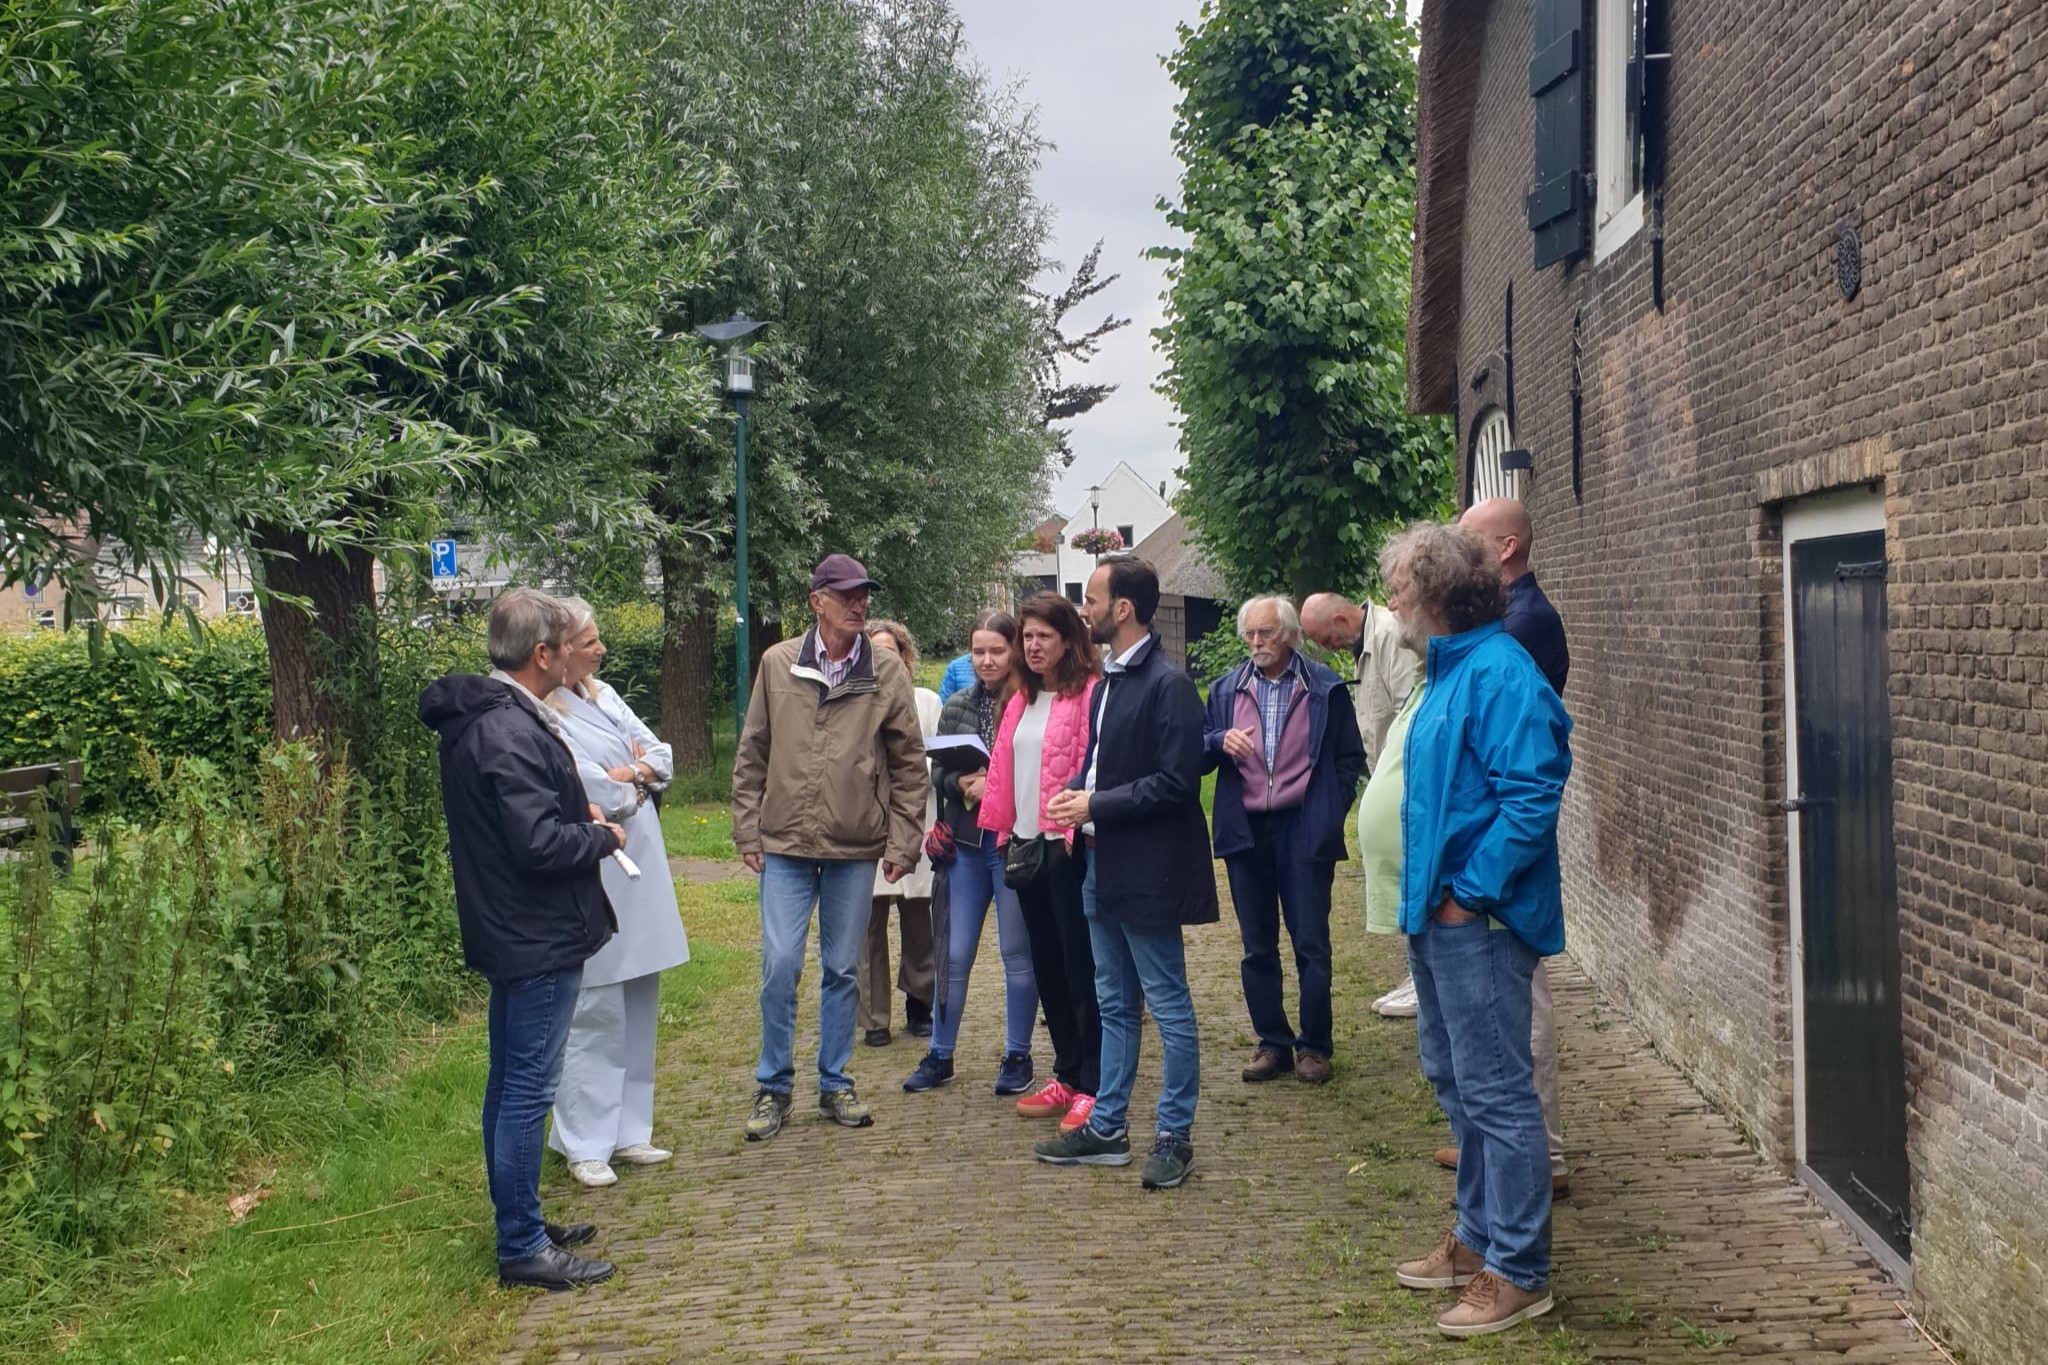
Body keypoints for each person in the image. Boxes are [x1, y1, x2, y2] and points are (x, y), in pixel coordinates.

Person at [1374, 523, 1571, 1339]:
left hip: (1478, 921)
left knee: (1497, 1094)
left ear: (1437, 598)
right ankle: (1478, 1237)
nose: (1391, 605)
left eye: (1399, 591)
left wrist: (1471, 891)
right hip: (1438, 917)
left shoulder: (1499, 672)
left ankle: (1519, 1270)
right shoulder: (1448, 670)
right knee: (1455, 1080)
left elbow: (1533, 792)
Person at [418, 588, 624, 1290]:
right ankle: (521, 1244)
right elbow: (536, 844)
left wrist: (574, 804)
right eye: (568, 644)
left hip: (513, 925)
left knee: (511, 1081)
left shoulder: (493, 716)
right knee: (526, 1089)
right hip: (533, 932)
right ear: (542, 654)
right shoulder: (505, 727)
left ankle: (524, 1218)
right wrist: (599, 833)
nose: (577, 655)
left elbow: (526, 814)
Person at [731, 554, 927, 1142]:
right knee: (780, 965)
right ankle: (774, 1086)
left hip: (854, 842)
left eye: (863, 594)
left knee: (843, 968)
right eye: (846, 596)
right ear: (817, 601)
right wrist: (747, 828)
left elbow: (910, 765)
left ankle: (835, 1081)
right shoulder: (778, 662)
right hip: (785, 840)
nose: (859, 604)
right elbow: (753, 752)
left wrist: (903, 840)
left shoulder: (886, 670)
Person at [1036, 557, 1217, 1191]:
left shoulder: (1169, 685)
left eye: (1090, 599)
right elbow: (1099, 765)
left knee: (1168, 1005)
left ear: (1122, 609)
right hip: (1099, 862)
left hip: (1149, 870)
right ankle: (1108, 1126)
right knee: (1114, 1003)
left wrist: (1095, 804)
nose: (1081, 610)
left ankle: (1174, 1133)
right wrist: (1074, 796)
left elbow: (1178, 783)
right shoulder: (1109, 680)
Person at [541, 599, 691, 1190]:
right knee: (593, 1005)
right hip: (596, 857)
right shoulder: (545, 712)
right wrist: (633, 779)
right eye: (589, 641)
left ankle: (630, 1128)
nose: (600, 650)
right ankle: (583, 1139)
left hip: (642, 859)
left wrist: (638, 773)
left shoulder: (604, 696)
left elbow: (661, 755)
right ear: (555, 649)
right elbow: (584, 782)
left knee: (638, 997)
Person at [1445, 496, 1572, 1195]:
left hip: (1501, 866)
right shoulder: (1503, 626)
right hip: (1489, 858)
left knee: (1523, 1012)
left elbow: (1523, 780)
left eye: (1468, 544)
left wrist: (1472, 884)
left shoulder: (1522, 628)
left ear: (1506, 549)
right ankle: (1516, 1145)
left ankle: (1541, 1156)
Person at [1201, 595, 1364, 1087]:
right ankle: (1272, 1041)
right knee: (1257, 945)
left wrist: (1329, 814)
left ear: (1289, 634)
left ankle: (1314, 1046)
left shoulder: (1326, 688)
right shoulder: (1226, 690)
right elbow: (1195, 751)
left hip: (1302, 827)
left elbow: (1348, 758)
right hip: (1246, 831)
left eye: (1265, 633)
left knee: (1311, 943)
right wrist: (1216, 741)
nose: (1255, 643)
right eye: (1249, 634)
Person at [977, 592, 1101, 1136]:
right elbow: (1004, 770)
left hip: (1068, 846)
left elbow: (1094, 769)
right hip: (1025, 845)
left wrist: (1078, 829)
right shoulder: (1021, 699)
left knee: (1081, 969)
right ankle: (1066, 1073)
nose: (1031, 645)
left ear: (1068, 639)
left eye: (1042, 636)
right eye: (1026, 636)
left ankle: (1094, 1085)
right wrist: (1001, 831)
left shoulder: (1089, 694)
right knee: (1047, 964)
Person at [902, 610, 1039, 1096]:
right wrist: (959, 781)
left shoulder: (1032, 701)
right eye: (977, 651)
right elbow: (936, 768)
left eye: (996, 651)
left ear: (1015, 649)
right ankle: (940, 1054)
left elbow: (1040, 767)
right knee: (953, 955)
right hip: (963, 845)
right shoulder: (957, 702)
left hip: (1010, 846)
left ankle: (1017, 1054)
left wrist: (995, 784)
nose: (986, 660)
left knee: (1016, 953)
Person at [1301, 589, 1423, 1020]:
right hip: (1389, 778)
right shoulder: (1366, 643)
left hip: (1408, 783)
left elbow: (1413, 707)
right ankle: (1416, 974)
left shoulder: (1388, 636)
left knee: (1410, 876)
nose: (1325, 649)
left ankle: (1421, 981)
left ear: (1339, 618)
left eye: (1324, 639)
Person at [859, 619, 940, 1047]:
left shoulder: (926, 702)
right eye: (874, 652)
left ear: (904, 656)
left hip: (916, 820)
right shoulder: (853, 700)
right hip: (867, 824)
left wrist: (907, 771)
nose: (883, 659)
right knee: (866, 923)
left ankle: (921, 1002)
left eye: (890, 651)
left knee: (919, 918)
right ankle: (874, 1018)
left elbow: (938, 757)